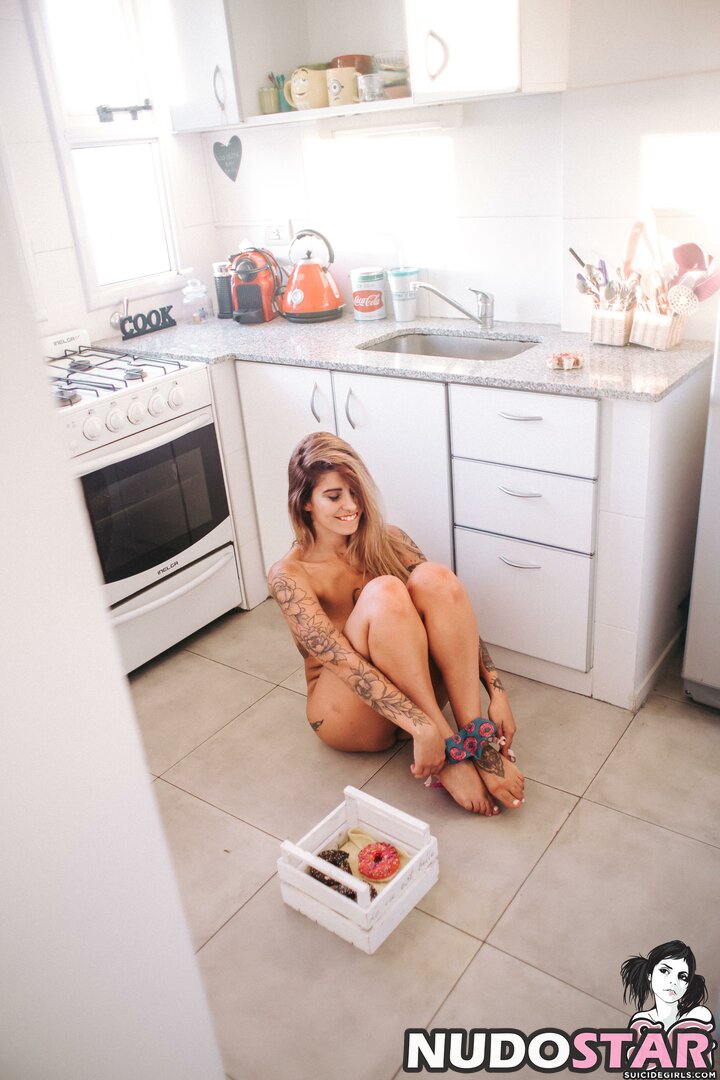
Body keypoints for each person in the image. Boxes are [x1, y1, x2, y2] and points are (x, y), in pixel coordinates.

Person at [267, 431, 525, 816]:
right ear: (305, 502)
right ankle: (450, 751)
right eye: (334, 496)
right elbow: (342, 661)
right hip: (348, 713)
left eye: (355, 492)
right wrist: (423, 728)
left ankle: (474, 737)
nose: (351, 506)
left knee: (435, 578)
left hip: (410, 687)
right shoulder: (290, 575)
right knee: (385, 591)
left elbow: (454, 617)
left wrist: (496, 690)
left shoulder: (388, 539)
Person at [620, 940, 713, 1034]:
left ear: (688, 984)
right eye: (664, 971)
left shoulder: (698, 1014)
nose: (673, 982)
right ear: (649, 974)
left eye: (682, 977)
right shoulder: (641, 1021)